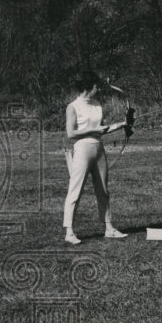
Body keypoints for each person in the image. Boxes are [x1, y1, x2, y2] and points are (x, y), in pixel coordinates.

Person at [62, 71, 128, 244]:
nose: (97, 89)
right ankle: (69, 232)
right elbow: (71, 133)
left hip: (98, 148)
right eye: (95, 86)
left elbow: (102, 129)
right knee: (75, 191)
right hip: (82, 149)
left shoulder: (97, 104)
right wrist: (93, 131)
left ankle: (109, 228)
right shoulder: (73, 106)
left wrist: (122, 125)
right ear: (87, 87)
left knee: (103, 191)